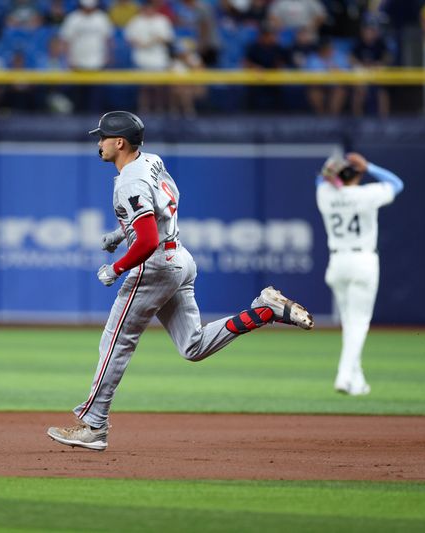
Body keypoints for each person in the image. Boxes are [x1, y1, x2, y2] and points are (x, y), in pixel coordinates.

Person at [46, 111, 314, 451]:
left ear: (119, 142)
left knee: (116, 340)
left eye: (102, 137)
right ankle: (263, 311)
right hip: (180, 258)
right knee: (193, 346)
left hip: (154, 264)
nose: (98, 143)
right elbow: (164, 206)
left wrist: (116, 268)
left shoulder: (129, 180)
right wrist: (120, 233)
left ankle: (94, 425)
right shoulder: (151, 161)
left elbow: (144, 242)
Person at [316, 152, 404, 396]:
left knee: (350, 324)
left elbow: (321, 179)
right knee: (358, 324)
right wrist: (369, 165)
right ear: (358, 174)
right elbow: (397, 184)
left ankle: (357, 380)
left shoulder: (325, 193)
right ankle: (344, 377)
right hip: (362, 261)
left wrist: (334, 167)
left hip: (337, 262)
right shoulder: (366, 194)